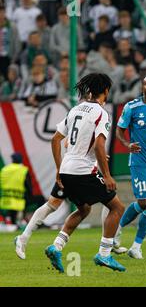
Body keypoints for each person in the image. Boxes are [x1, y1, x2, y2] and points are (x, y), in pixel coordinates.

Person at [44, 73, 126, 273]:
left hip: (66, 169)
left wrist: (58, 169)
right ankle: (104, 254)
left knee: (84, 209)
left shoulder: (75, 110)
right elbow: (99, 145)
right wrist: (106, 175)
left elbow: (55, 140)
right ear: (105, 91)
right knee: (117, 208)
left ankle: (56, 246)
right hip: (83, 170)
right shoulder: (101, 112)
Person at [112, 74, 146, 259]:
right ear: (142, 88)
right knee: (144, 202)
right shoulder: (132, 107)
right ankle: (116, 232)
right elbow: (119, 129)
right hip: (139, 161)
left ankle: (136, 247)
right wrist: (127, 145)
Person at [0, 152, 32, 228]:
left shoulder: (4, 169)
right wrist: (30, 195)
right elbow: (28, 185)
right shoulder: (23, 170)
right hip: (19, 199)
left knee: (10, 216)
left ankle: (8, 222)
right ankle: (21, 222)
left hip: (5, 199)